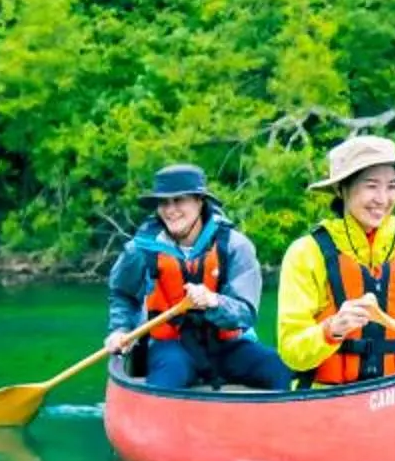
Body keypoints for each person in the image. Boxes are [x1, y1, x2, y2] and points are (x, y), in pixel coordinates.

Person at [273, 136, 395, 386]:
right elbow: (292, 353)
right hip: (326, 401)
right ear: (341, 189)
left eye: (392, 186)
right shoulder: (305, 253)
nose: (383, 198)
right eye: (371, 185)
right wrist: (332, 329)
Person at [104, 163, 294, 392]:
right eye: (164, 202)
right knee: (169, 374)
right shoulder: (140, 249)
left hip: (227, 346)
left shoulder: (234, 245)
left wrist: (214, 301)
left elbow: (245, 313)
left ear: (199, 201)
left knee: (278, 367)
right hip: (170, 347)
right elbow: (122, 294)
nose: (170, 210)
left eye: (179, 200)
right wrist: (120, 329)